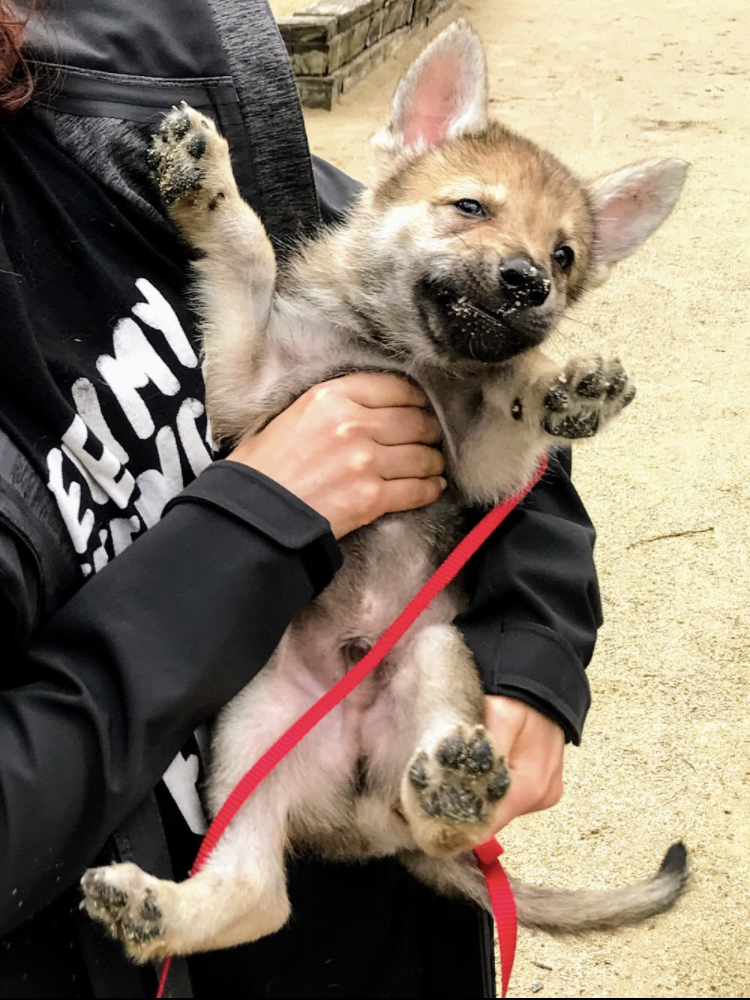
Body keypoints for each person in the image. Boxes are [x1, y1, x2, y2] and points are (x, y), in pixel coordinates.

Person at [0, 1, 601, 996]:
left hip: (386, 921)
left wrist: (532, 655)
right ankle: (245, 881)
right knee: (274, 704)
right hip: (176, 888)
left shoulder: (127, 81)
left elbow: (474, 363)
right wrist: (254, 522)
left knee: (430, 668)